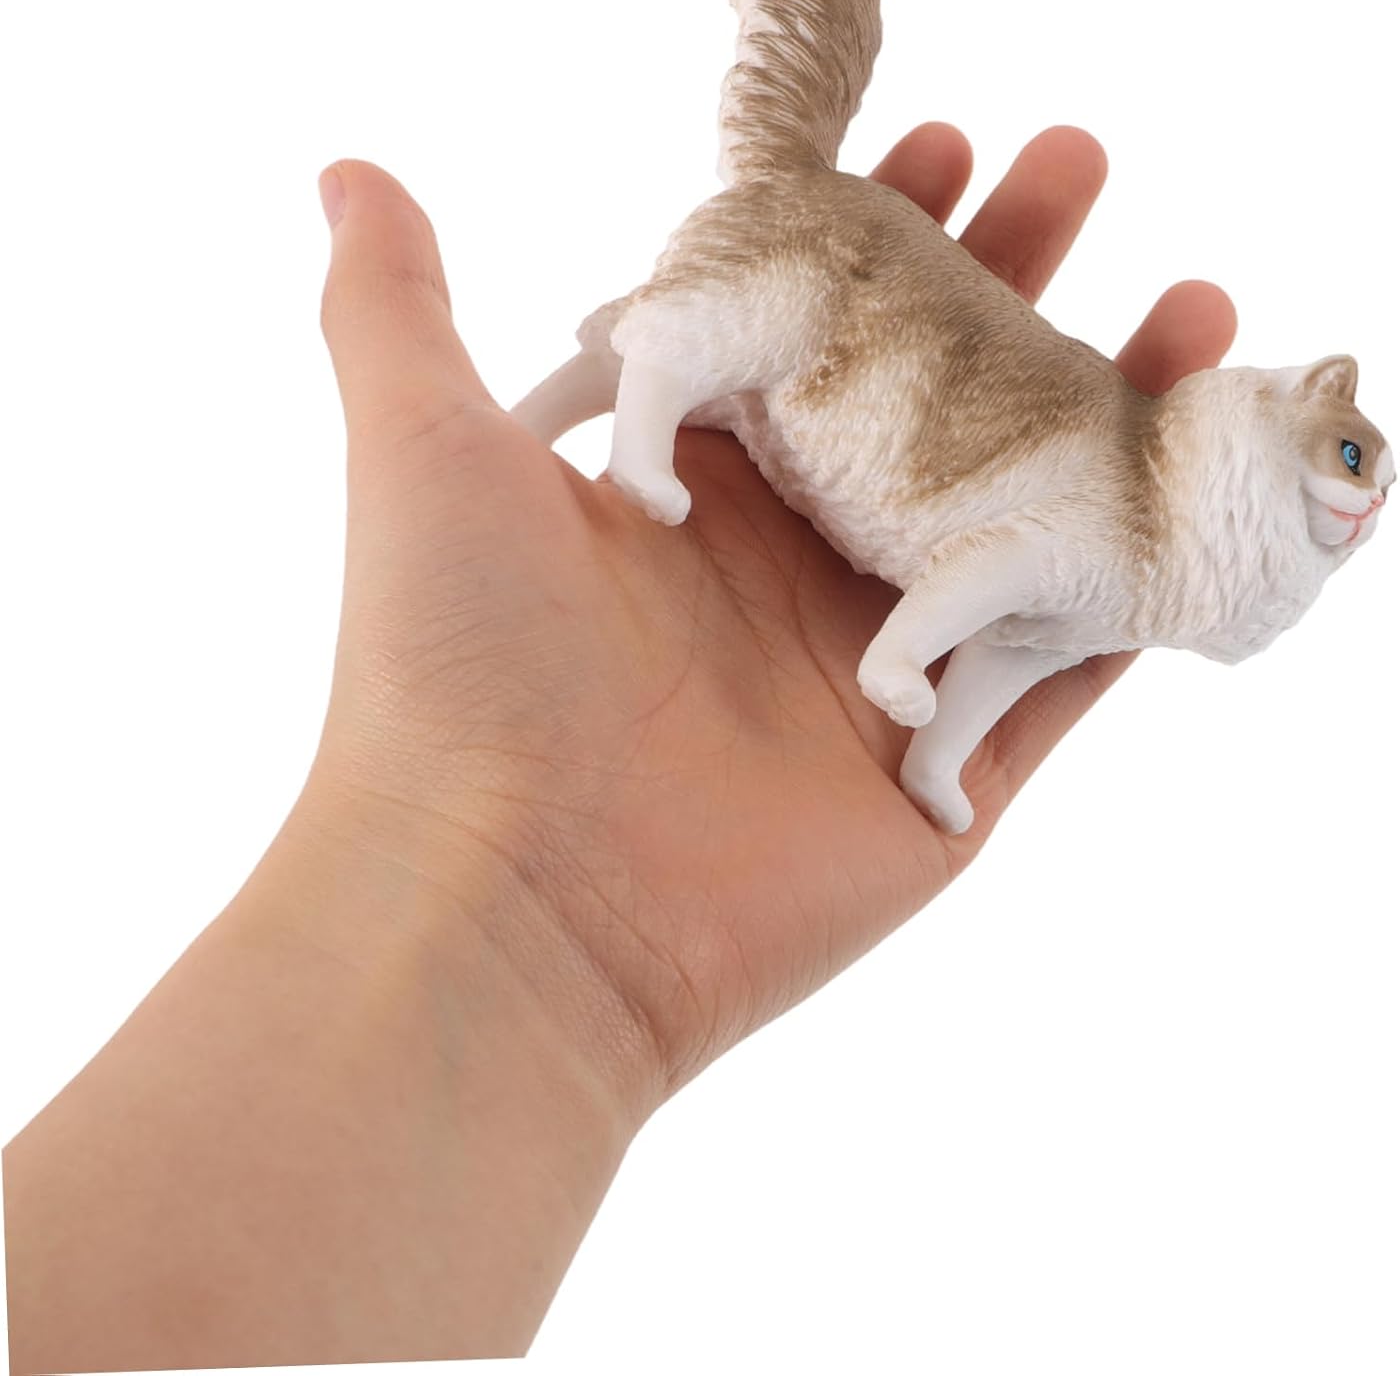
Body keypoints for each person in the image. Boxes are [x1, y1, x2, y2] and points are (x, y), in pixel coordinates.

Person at [2, 122, 1236, 1369]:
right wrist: (893, 664)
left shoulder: (1140, 567)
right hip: (842, 380)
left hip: (878, 464)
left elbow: (1019, 629)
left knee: (730, 367)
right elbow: (996, 574)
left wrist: (927, 763)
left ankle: (619, 407)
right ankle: (642, 413)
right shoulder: (1119, 518)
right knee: (698, 340)